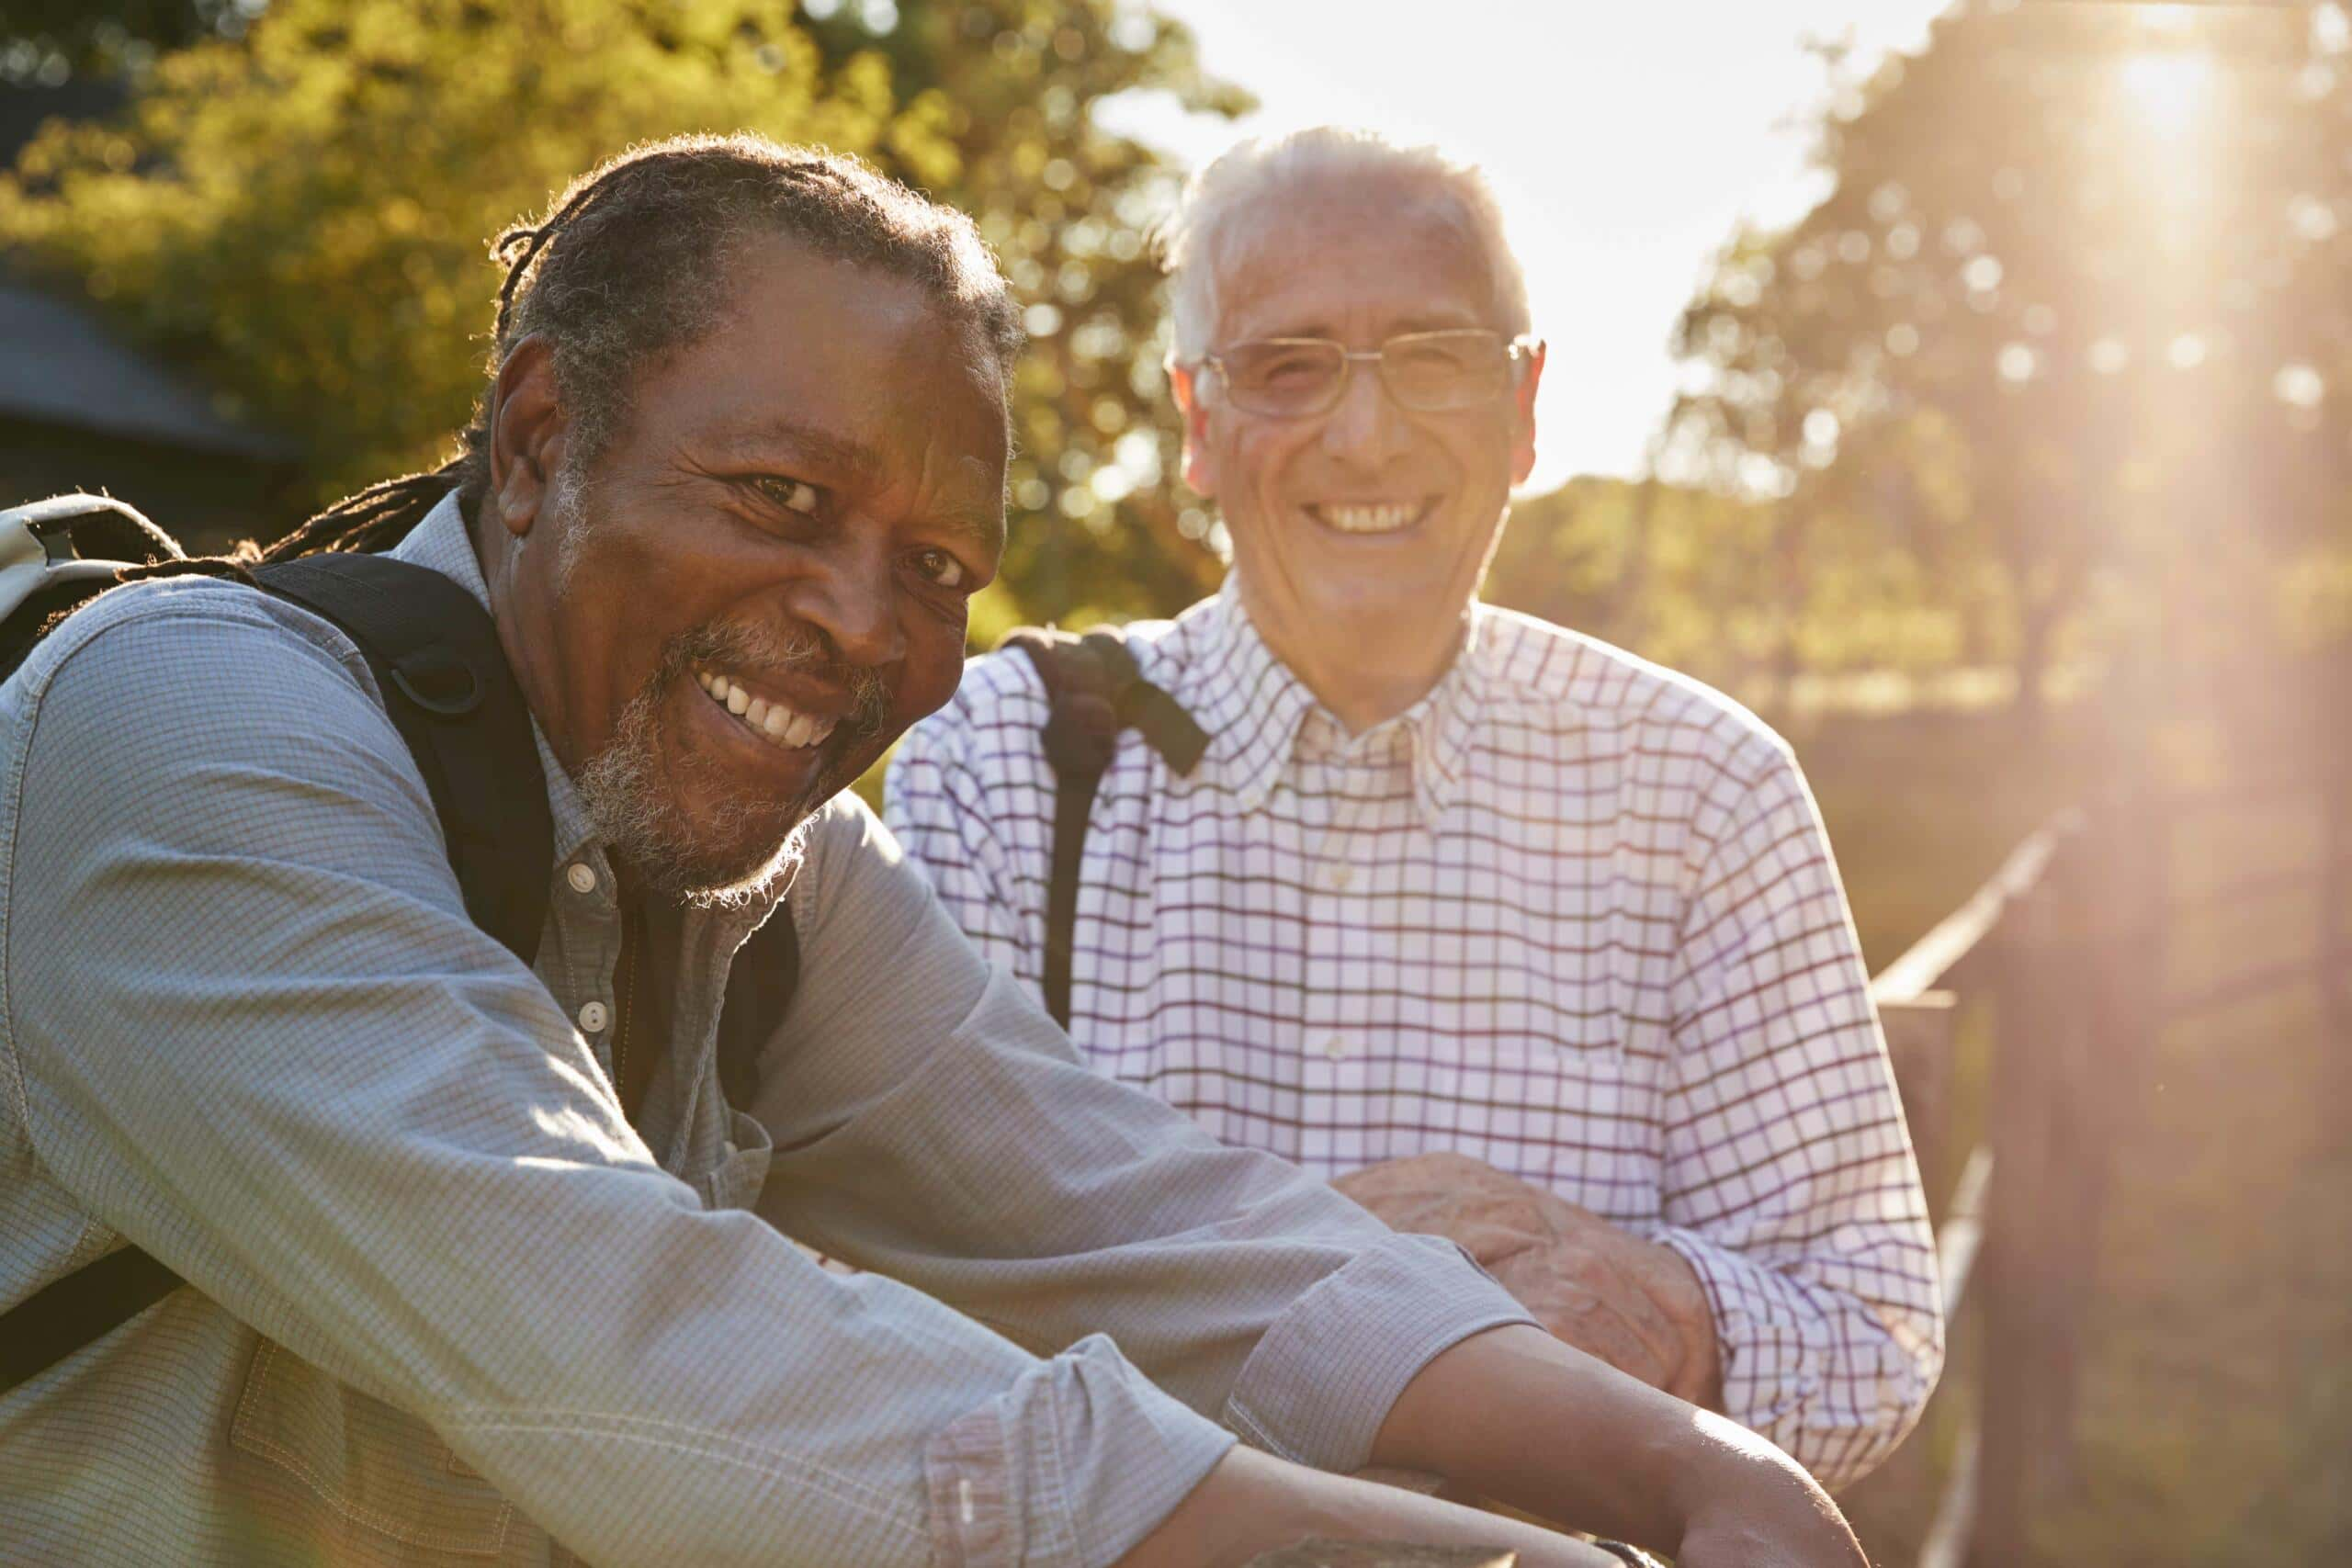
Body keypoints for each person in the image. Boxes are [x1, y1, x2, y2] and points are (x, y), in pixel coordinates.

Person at [0, 135, 1866, 1567]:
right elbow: (624, 1331)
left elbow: (1132, 1216)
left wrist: (1694, 1467)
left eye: (934, 570)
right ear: (537, 438)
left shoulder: (773, 883)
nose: (853, 620)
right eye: (781, 499)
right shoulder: (186, 732)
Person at [888, 127, 1943, 1489]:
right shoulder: (1002, 765)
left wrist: (1640, 1301)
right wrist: (1333, 1319)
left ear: (1525, 410)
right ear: (1200, 423)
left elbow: (1874, 1335)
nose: (1366, 433)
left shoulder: (1707, 791)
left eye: (1434, 357)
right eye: (1288, 365)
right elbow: (891, 1299)